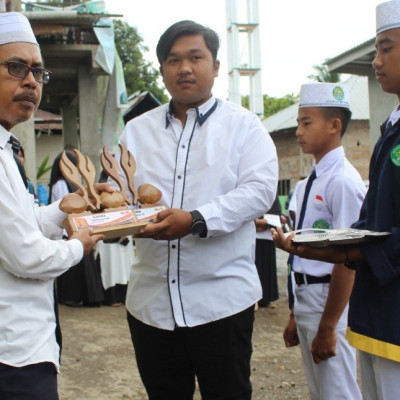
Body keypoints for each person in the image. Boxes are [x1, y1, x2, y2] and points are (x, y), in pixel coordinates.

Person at [114, 20, 278, 400]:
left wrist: (196, 220)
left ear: (216, 66)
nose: (184, 68)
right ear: (162, 70)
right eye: (173, 60)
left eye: (195, 57)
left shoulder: (245, 127)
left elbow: (258, 191)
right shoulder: (135, 132)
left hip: (221, 303)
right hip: (151, 306)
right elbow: (122, 193)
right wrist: (115, 214)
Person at [273, 2, 400, 398]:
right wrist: (317, 249)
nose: (377, 61)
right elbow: (366, 230)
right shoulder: (390, 131)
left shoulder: (344, 178)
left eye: (387, 48)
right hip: (376, 308)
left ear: (334, 126)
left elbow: (372, 240)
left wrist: (347, 255)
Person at [0, 12, 106, 400]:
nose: (30, 80)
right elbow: (25, 256)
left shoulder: (8, 148)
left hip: (23, 346)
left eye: (38, 72)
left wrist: (66, 205)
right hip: (11, 356)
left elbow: (22, 225)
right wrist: (80, 243)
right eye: (16, 67)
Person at [282, 82, 366, 400]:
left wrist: (329, 325)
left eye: (306, 123)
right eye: (298, 124)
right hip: (306, 296)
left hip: (328, 298)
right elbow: (301, 255)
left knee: (338, 391)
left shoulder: (342, 181)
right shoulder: (308, 183)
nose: (299, 132)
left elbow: (349, 256)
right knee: (320, 391)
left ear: (334, 126)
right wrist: (294, 313)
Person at [49, 150, 105, 307]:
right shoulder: (60, 184)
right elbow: (65, 206)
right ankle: (72, 297)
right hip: (69, 231)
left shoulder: (72, 185)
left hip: (76, 228)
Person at [254, 195, 281, 308]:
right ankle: (254, 299)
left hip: (267, 236)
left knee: (267, 268)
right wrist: (258, 222)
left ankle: (266, 298)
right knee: (255, 267)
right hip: (253, 237)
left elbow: (276, 215)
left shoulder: (272, 195)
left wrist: (261, 222)